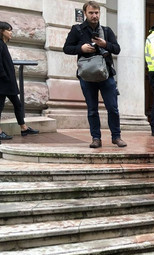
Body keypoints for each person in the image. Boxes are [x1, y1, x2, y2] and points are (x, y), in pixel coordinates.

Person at [63, 1, 126, 148]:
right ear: (85, 13)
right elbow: (66, 48)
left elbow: (117, 49)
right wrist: (81, 48)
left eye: (96, 13)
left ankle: (116, 137)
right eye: (91, 13)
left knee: (113, 108)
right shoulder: (77, 30)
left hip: (106, 75)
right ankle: (96, 138)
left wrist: (105, 45)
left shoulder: (107, 30)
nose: (94, 16)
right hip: (87, 76)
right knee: (92, 109)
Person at [0, 21, 39, 141]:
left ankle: (23, 128)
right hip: (2, 83)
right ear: (2, 31)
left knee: (17, 104)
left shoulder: (2, 44)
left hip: (7, 82)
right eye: (9, 30)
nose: (11, 33)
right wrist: (5, 78)